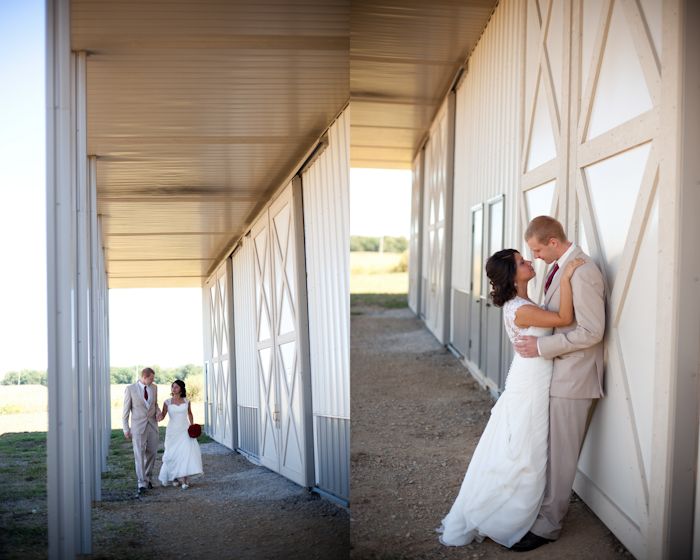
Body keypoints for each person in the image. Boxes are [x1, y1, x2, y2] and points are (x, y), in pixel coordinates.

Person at [438, 246, 585, 548]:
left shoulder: (523, 301)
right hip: (530, 384)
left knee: (522, 445)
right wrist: (568, 276)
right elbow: (565, 316)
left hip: (532, 377)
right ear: (511, 274)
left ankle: (516, 508)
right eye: (521, 262)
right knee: (526, 450)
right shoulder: (521, 307)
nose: (528, 261)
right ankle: (508, 516)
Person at [511, 215, 605, 552]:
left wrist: (541, 347)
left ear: (553, 242)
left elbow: (592, 331)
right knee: (549, 452)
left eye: (537, 249)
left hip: (574, 379)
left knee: (562, 456)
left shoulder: (582, 271)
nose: (534, 256)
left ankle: (549, 526)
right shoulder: (560, 269)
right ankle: (541, 510)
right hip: (556, 376)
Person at [157, 379, 203, 489]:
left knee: (185, 453)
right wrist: (157, 414)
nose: (174, 388)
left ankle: (184, 479)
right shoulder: (167, 402)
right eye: (172, 386)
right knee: (173, 454)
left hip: (184, 430)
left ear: (181, 389)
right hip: (172, 431)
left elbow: (190, 414)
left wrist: (192, 426)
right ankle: (175, 477)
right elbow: (162, 416)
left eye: (176, 387)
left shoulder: (187, 401)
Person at [122, 367, 161, 495]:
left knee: (152, 452)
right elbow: (125, 412)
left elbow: (155, 404)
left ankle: (148, 478)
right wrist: (126, 429)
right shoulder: (130, 389)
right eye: (151, 378)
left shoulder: (154, 388)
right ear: (144, 377)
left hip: (152, 426)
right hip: (138, 427)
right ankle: (141, 482)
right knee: (139, 454)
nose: (153, 380)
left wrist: (159, 412)